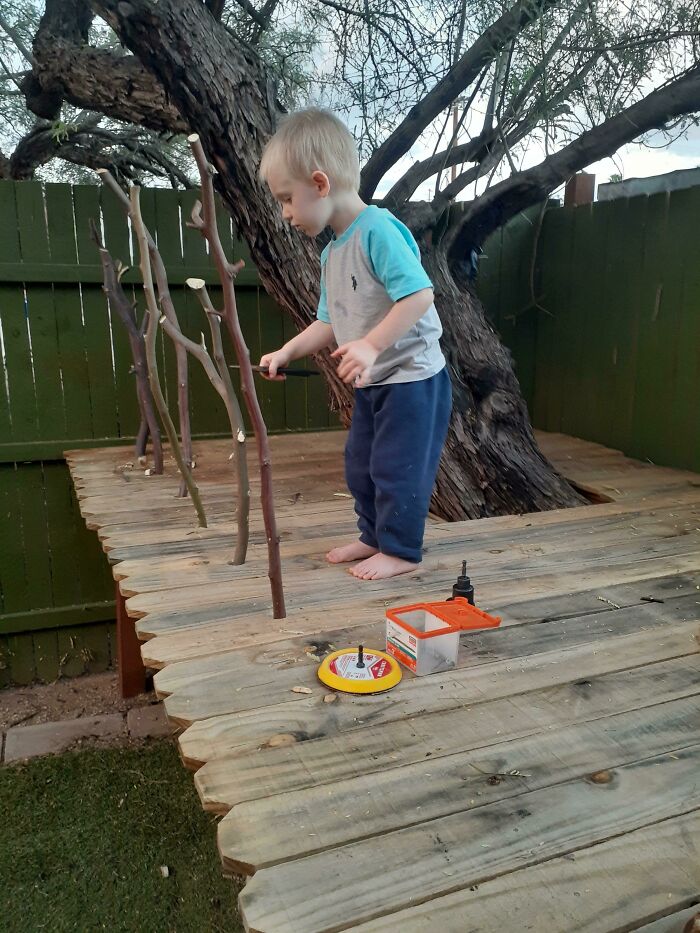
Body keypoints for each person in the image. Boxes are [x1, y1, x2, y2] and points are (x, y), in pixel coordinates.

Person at [258, 107, 452, 580]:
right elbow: (327, 321)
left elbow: (420, 295)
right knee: (359, 465)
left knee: (396, 467)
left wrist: (371, 344)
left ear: (320, 184)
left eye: (287, 199)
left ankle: (402, 551)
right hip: (376, 380)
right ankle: (374, 537)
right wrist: (288, 350)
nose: (285, 214)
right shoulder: (332, 251)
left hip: (413, 379)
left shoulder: (378, 231)